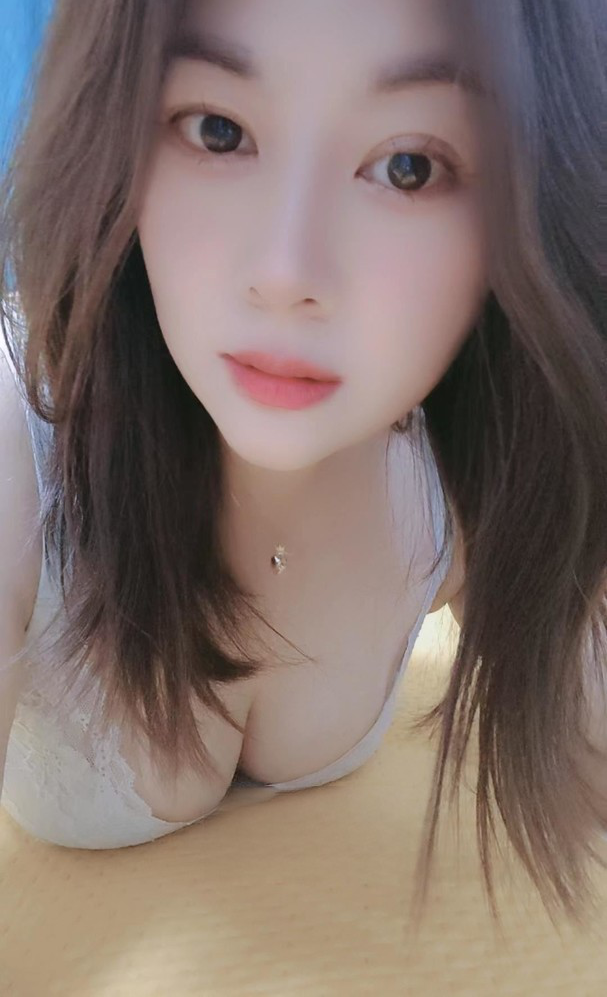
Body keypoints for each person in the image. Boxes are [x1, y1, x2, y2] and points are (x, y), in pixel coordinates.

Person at [0, 0, 605, 930]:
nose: (286, 270)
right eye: (218, 130)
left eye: (408, 166)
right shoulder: (19, 442)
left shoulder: (472, 473)